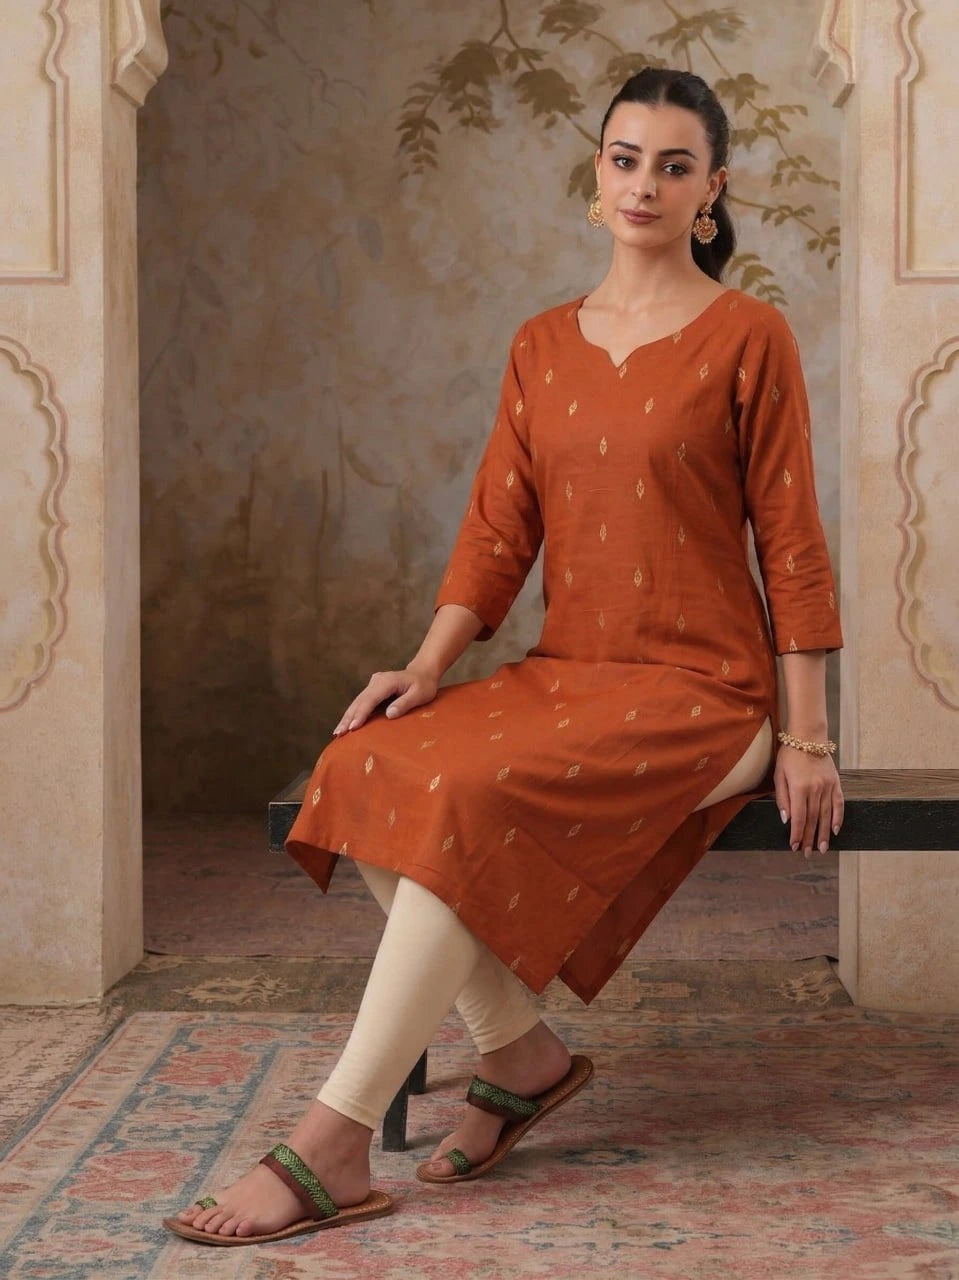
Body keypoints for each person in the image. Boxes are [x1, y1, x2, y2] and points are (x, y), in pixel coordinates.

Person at [164, 66, 844, 1247]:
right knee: (368, 762)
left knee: (464, 799)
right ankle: (518, 1052)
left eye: (673, 165)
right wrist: (425, 665)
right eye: (624, 158)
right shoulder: (539, 343)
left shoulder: (749, 335)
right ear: (597, 174)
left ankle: (332, 1139)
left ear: (711, 191)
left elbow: (790, 540)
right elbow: (496, 529)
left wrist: (807, 733)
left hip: (706, 691)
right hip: (569, 671)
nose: (643, 183)